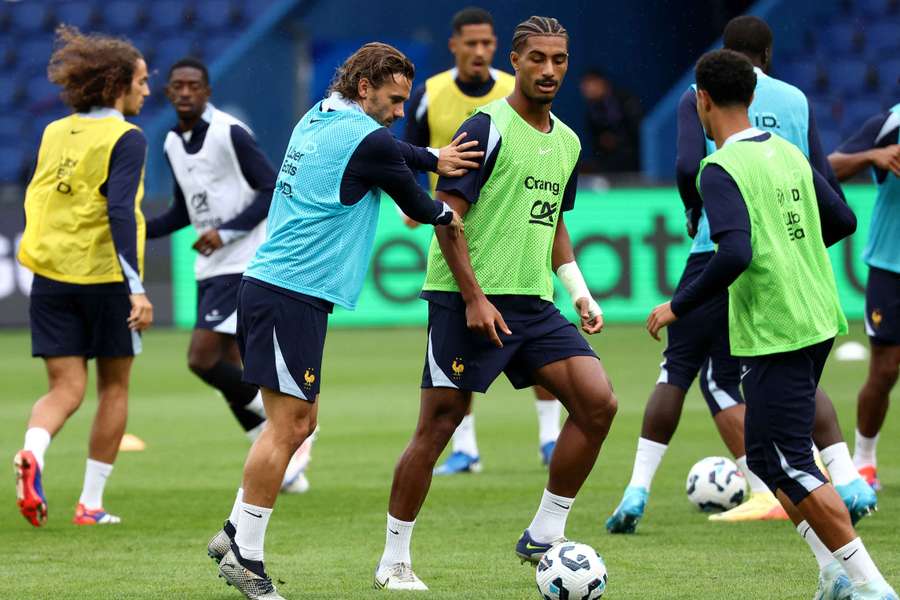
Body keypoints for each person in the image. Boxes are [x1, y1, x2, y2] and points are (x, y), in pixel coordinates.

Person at [207, 42, 476, 600]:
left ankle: (234, 531)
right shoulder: (370, 140)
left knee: (301, 424)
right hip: (289, 291)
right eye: (395, 99)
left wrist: (428, 157)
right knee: (288, 427)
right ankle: (246, 557)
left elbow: (389, 148)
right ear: (364, 89)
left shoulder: (318, 115)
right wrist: (458, 209)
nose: (402, 109)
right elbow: (421, 205)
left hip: (281, 288)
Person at [606, 15, 875, 533]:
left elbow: (689, 168)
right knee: (788, 375)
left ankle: (670, 490)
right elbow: (834, 199)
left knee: (692, 370)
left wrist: (693, 213)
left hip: (723, 249)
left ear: (710, 91)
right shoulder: (794, 104)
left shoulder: (704, 117)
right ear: (764, 63)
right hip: (800, 277)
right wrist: (792, 246)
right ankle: (847, 478)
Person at [375, 16, 616, 591]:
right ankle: (394, 560)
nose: (550, 69)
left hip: (533, 304)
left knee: (599, 405)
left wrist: (579, 291)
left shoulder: (568, 142)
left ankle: (545, 532)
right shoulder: (486, 128)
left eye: (559, 59)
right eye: (537, 59)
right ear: (517, 60)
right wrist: (474, 298)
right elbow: (445, 218)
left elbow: (555, 221)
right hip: (466, 303)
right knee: (437, 427)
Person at [647, 48, 896, 600]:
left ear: (701, 100)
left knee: (792, 461)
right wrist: (790, 252)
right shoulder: (785, 149)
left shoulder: (720, 168)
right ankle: (832, 572)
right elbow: (843, 218)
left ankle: (872, 585)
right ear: (753, 97)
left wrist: (678, 305)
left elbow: (732, 252)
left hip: (777, 326)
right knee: (765, 458)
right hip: (818, 315)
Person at [145, 58, 315, 494]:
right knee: (232, 368)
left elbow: (270, 188)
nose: (185, 92)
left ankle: (289, 420)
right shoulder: (171, 143)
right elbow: (185, 211)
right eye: (177, 86)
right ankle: (284, 466)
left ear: (206, 91)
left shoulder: (229, 132)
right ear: (168, 92)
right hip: (211, 266)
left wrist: (226, 233)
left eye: (193, 85)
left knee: (202, 359)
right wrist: (139, 230)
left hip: (244, 260)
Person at [405, 6, 562, 476]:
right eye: (470, 44)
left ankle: (551, 438)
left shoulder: (518, 88)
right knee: (455, 347)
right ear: (454, 46)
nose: (479, 52)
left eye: (486, 44)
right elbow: (408, 155)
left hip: (514, 236)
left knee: (536, 331)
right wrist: (413, 204)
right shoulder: (430, 94)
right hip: (452, 229)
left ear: (500, 50)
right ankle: (466, 447)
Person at [13, 26, 151, 528]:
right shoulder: (126, 136)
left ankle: (33, 453)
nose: (147, 89)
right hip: (104, 278)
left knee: (64, 390)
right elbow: (118, 210)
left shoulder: (54, 130)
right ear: (117, 83)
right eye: (140, 80)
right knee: (113, 389)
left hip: (50, 275)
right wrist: (136, 287)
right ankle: (90, 505)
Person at [828, 103, 900, 492]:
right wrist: (874, 155)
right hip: (891, 267)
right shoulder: (889, 123)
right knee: (885, 370)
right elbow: (828, 167)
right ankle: (864, 461)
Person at [579, 68, 643, 174]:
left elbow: (638, 132)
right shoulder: (591, 111)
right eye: (584, 85)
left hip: (633, 162)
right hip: (608, 166)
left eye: (589, 84)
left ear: (602, 83)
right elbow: (597, 144)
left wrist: (617, 140)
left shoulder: (625, 101)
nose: (586, 89)